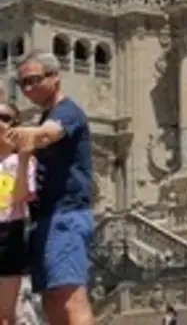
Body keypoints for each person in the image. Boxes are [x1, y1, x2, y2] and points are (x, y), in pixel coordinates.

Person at [3, 51, 94, 325]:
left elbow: (48, 134)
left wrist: (22, 135)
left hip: (65, 215)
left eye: (34, 80)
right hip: (43, 219)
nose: (28, 89)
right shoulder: (46, 115)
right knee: (51, 299)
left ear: (55, 78)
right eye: (23, 84)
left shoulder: (68, 112)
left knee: (69, 297)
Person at [0, 102, 36, 323]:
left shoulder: (23, 162)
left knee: (5, 315)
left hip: (8, 232)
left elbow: (22, 196)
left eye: (5, 118)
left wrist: (22, 159)